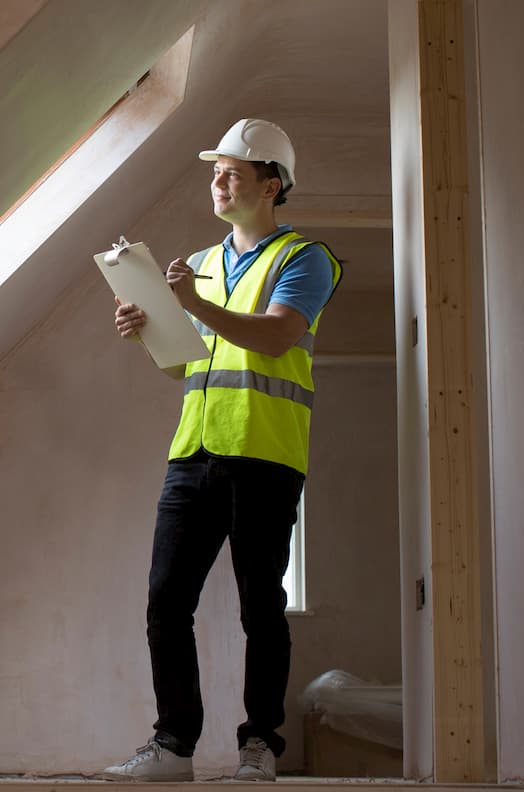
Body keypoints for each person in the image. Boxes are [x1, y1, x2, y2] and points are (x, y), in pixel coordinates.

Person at [103, 118, 341, 783]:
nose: (219, 180)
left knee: (260, 606)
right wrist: (149, 330)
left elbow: (274, 338)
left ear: (273, 185)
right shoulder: (203, 266)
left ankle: (259, 743)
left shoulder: (303, 258)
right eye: (216, 171)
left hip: (264, 453)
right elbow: (187, 368)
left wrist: (194, 307)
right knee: (164, 601)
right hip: (194, 452)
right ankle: (174, 747)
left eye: (233, 171)